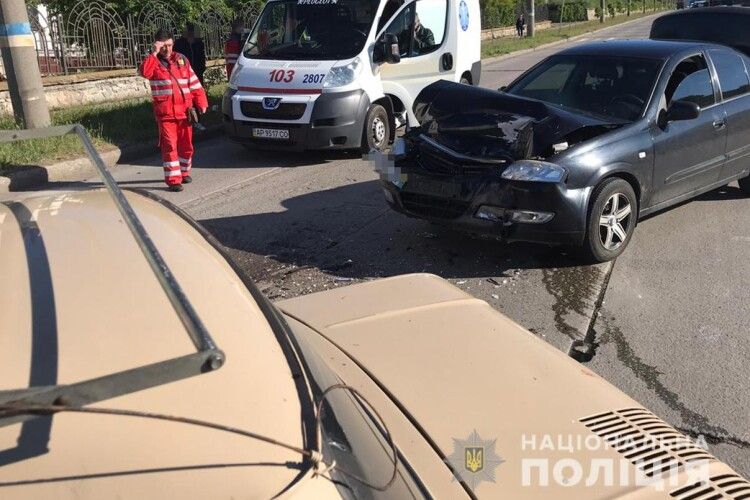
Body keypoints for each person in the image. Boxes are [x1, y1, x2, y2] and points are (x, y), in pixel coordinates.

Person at [139, 28, 208, 192]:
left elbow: (194, 83)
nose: (167, 49)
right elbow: (144, 72)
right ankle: (173, 179)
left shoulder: (181, 59)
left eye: (169, 45)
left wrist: (201, 102)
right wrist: (154, 53)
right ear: (157, 45)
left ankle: (184, 173)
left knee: (187, 147)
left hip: (185, 113)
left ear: (173, 43)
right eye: (163, 46)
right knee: (170, 147)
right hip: (166, 114)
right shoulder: (153, 62)